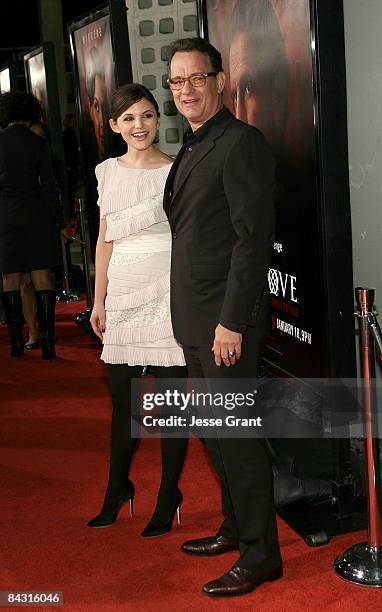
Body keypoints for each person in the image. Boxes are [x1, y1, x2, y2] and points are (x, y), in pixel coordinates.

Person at [164, 38, 282, 597]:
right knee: (215, 435)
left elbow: (251, 241)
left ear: (218, 82)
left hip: (224, 321)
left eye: (195, 78)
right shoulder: (191, 144)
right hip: (195, 316)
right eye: (175, 82)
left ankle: (262, 556)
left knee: (237, 438)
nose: (184, 89)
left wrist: (232, 321)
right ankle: (236, 529)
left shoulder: (241, 143)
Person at [88, 84, 188, 536]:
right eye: (128, 118)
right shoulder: (105, 171)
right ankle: (117, 488)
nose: (139, 126)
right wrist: (98, 299)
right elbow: (104, 241)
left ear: (158, 119)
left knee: (170, 406)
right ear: (114, 126)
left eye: (146, 115)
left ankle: (169, 496)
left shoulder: (177, 169)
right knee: (124, 404)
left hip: (168, 291)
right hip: (124, 294)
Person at [0, 92, 63, 360]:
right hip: (36, 214)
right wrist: (57, 220)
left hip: (5, 216)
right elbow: (49, 187)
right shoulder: (38, 144)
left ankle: (16, 345)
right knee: (42, 278)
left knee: (10, 279)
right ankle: (48, 346)